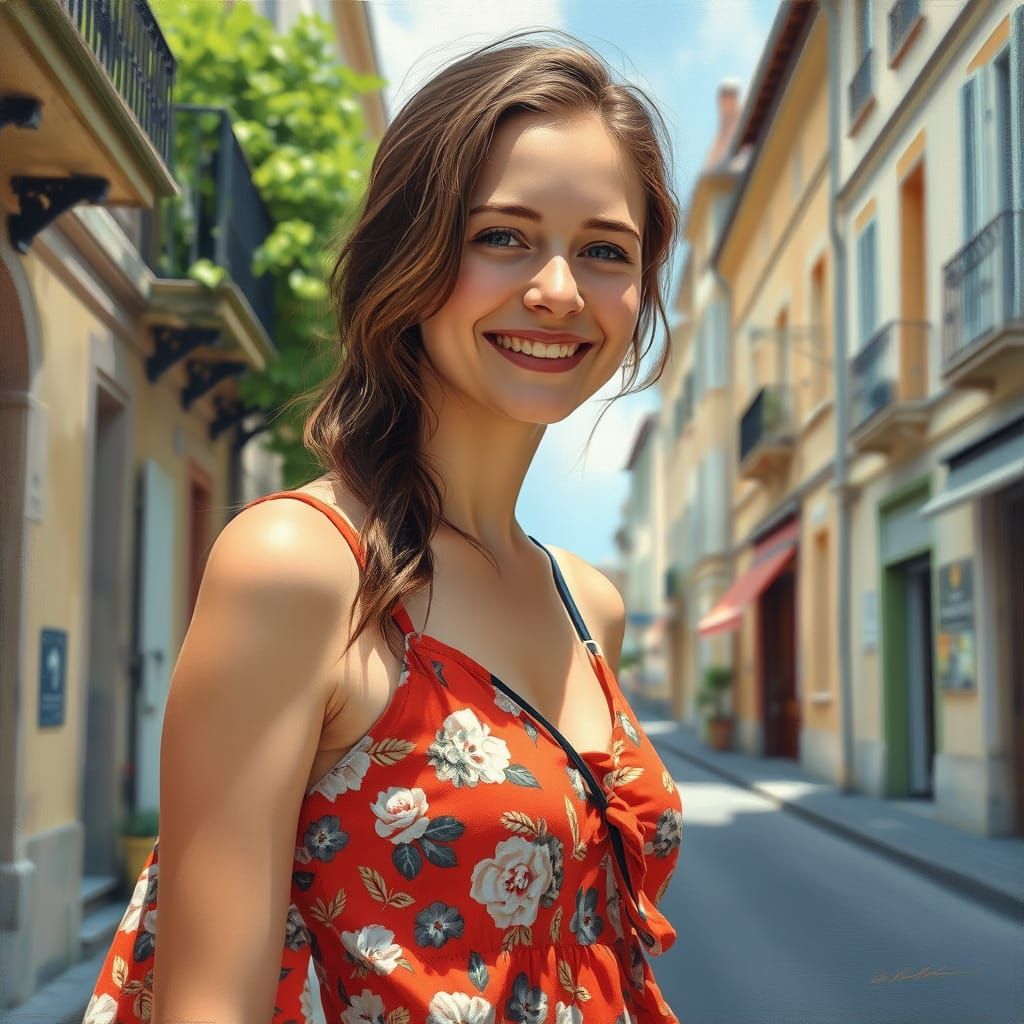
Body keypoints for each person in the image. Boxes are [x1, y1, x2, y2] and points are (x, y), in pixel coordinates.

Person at [84, 28, 683, 1024]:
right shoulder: (300, 568)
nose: (559, 290)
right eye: (503, 236)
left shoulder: (590, 606)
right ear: (412, 251)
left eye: (605, 251)